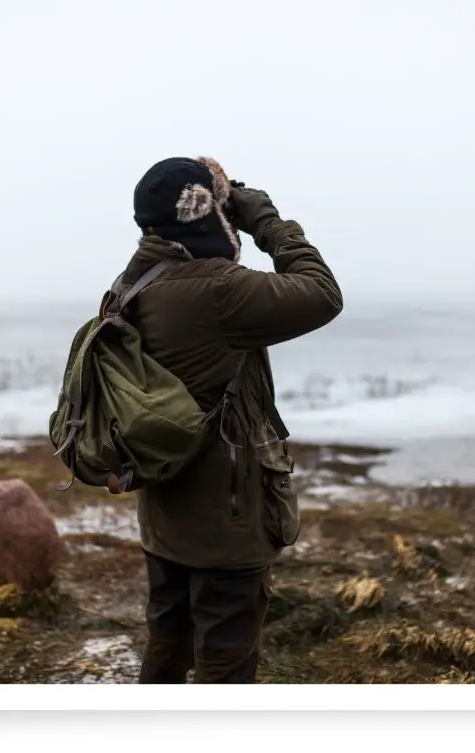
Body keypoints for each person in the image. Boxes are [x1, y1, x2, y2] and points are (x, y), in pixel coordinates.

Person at [119, 155, 343, 683]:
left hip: (165, 507)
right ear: (207, 215)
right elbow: (322, 293)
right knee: (226, 662)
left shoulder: (134, 283)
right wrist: (264, 219)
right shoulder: (219, 289)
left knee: (169, 643)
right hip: (228, 516)